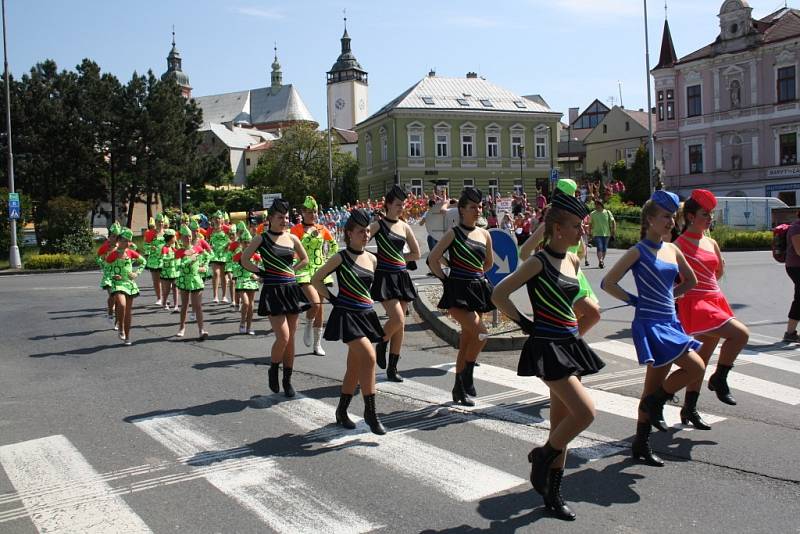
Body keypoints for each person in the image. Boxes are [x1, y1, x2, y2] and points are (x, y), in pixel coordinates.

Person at [492, 191, 604, 521]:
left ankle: (553, 495)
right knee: (585, 413)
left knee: (561, 424)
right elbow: (499, 293)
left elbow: (575, 302)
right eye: (575, 226)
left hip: (570, 344)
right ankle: (542, 457)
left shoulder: (572, 260)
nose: (581, 231)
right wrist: (525, 323)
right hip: (547, 347)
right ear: (556, 229)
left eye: (582, 225)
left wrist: (581, 321)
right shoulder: (537, 262)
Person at [601, 190, 706, 467]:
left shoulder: (672, 249)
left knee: (656, 385)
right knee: (694, 367)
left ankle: (641, 440)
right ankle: (654, 410)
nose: (670, 222)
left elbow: (691, 281)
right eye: (665, 217)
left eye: (672, 217)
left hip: (670, 321)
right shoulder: (637, 251)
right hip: (650, 322)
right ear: (649, 219)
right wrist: (634, 300)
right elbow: (608, 283)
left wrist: (672, 296)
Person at [674, 189, 749, 428]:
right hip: (697, 304)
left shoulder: (711, 241)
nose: (709, 219)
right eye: (705, 214)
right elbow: (674, 277)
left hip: (715, 300)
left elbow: (717, 272)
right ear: (691, 217)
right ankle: (720, 378)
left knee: (701, 361)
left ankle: (690, 409)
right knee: (740, 334)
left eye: (711, 215)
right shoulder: (679, 244)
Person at [312, 208, 387, 434]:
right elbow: (316, 279)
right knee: (369, 356)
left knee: (354, 368)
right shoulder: (340, 257)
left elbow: (369, 289)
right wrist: (334, 299)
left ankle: (341, 411)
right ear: (349, 233)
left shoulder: (372, 259)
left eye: (367, 231)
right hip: (347, 315)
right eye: (360, 231)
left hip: (366, 314)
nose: (365, 235)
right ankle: (371, 413)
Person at [428, 188, 494, 406]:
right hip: (457, 293)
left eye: (480, 206)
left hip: (476, 290)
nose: (477, 210)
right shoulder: (454, 233)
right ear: (462, 211)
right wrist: (446, 279)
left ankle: (458, 389)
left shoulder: (484, 234)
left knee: (467, 342)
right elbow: (433, 258)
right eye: (473, 207)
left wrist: (476, 275)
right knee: (482, 334)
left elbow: (489, 263)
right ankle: (467, 376)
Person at [242, 199, 309, 398]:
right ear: (270, 218)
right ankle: (273, 368)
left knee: (291, 340)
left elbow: (305, 259)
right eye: (280, 217)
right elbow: (244, 259)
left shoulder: (292, 238)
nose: (284, 220)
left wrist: (290, 271)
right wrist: (261, 272)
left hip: (290, 289)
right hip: (273, 291)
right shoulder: (260, 238)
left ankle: (287, 380)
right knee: (284, 336)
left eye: (286, 217)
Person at [519, 179, 601, 334]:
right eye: (572, 198)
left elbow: (582, 251)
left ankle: (568, 347)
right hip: (558, 277)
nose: (575, 201)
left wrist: (570, 261)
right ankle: (568, 346)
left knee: (578, 317)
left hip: (573, 274)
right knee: (589, 314)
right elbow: (524, 252)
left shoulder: (574, 223)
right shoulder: (548, 225)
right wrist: (543, 270)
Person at [370, 185, 421, 382]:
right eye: (398, 205)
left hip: (401, 276)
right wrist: (375, 260)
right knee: (397, 319)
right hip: (384, 277)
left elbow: (415, 253)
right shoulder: (378, 225)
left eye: (403, 205)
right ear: (388, 205)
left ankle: (392, 368)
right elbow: (357, 245)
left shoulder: (404, 226)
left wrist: (399, 258)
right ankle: (382, 341)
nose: (401, 208)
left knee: (400, 326)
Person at [291, 196, 339, 356]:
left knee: (320, 309)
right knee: (315, 304)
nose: (313, 215)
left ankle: (317, 344)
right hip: (304, 270)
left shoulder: (321, 228)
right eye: (310, 212)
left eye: (315, 212)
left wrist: (327, 258)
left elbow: (334, 245)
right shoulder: (296, 229)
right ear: (303, 212)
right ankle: (308, 325)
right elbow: (291, 248)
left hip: (320, 270)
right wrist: (294, 261)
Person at [105, 228, 145, 346]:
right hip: (118, 284)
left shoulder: (130, 253)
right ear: (119, 240)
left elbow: (143, 262)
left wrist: (136, 273)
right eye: (124, 240)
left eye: (128, 241)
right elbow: (106, 269)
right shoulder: (113, 254)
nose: (126, 243)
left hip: (129, 284)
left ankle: (127, 336)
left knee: (128, 311)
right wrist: (113, 275)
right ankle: (120, 326)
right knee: (122, 304)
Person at [175, 224, 209, 340]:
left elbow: (208, 256)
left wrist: (204, 267)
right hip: (184, 279)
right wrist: (189, 260)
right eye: (185, 236)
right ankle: (181, 327)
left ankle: (201, 330)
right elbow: (177, 266)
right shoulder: (179, 252)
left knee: (198, 306)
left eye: (189, 236)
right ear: (181, 238)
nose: (188, 238)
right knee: (184, 305)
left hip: (195, 279)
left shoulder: (197, 248)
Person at [233, 227, 261, 335]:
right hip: (241, 280)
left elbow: (261, 267)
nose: (247, 244)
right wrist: (237, 274)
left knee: (251, 305)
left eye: (249, 242)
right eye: (245, 242)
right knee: (245, 303)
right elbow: (233, 267)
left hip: (251, 281)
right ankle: (242, 323)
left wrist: (257, 275)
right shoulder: (237, 256)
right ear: (241, 243)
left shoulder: (255, 256)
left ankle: (249, 327)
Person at [97, 222, 121, 328]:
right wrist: (103, 263)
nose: (115, 238)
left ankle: (117, 321)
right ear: (109, 236)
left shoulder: (121, 246)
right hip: (109, 275)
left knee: (118, 297)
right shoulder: (105, 247)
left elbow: (132, 254)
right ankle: (111, 311)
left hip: (120, 274)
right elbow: (98, 257)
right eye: (113, 236)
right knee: (112, 294)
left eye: (117, 236)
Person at [783, 210, 800, 342]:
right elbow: (799, 250)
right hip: (796, 267)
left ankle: (790, 333)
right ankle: (790, 333)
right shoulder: (796, 228)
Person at [208, 211, 230, 304]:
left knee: (223, 276)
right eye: (216, 218)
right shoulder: (210, 230)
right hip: (215, 255)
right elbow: (206, 240)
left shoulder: (226, 229)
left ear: (222, 219)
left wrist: (228, 246)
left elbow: (233, 238)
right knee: (216, 273)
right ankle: (215, 295)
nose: (217, 220)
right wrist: (209, 247)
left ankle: (224, 296)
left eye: (219, 218)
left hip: (224, 255)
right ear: (213, 219)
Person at [143, 215, 166, 306]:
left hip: (165, 260)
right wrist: (150, 247)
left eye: (162, 221)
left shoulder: (167, 233)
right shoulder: (150, 233)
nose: (160, 223)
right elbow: (145, 246)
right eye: (158, 222)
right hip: (154, 261)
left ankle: (165, 297)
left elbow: (173, 245)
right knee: (156, 281)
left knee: (165, 280)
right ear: (155, 223)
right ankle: (159, 298)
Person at [588, 199, 615, 268]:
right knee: (599, 247)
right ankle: (600, 260)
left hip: (607, 233)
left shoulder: (607, 212)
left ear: (601, 205)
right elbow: (590, 224)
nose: (596, 206)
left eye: (597, 204)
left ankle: (602, 260)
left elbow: (613, 221)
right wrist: (589, 232)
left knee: (604, 248)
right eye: (595, 204)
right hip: (597, 233)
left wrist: (613, 231)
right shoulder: (592, 214)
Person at [159, 229, 179, 313]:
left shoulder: (173, 248)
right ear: (171, 238)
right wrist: (172, 258)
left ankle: (176, 305)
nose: (176, 238)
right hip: (166, 273)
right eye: (174, 237)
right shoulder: (165, 248)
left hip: (174, 271)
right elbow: (163, 258)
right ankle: (164, 302)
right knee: (167, 290)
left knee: (175, 288)